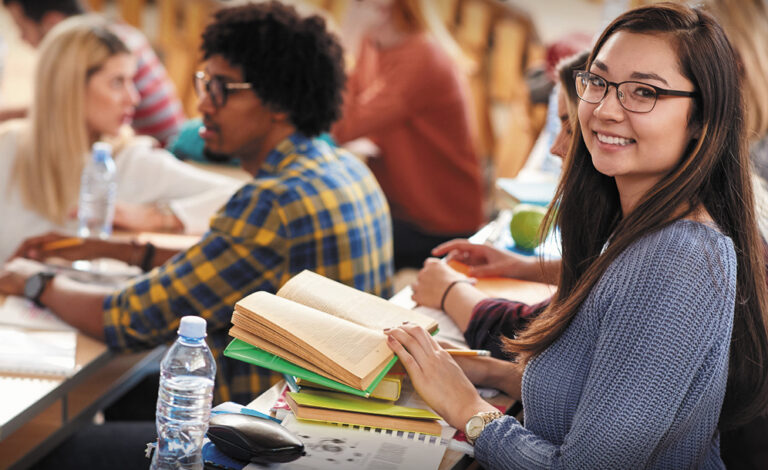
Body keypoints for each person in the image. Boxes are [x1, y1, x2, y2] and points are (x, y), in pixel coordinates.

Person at [385, 3, 768, 467]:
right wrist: (481, 371)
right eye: (598, 82)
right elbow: (598, 391)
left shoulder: (681, 257)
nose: (605, 110)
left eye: (643, 91)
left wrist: (468, 409)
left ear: (701, 120)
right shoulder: (639, 230)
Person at [0, 1, 394, 407]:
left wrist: (36, 281)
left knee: (51, 452)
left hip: (260, 435)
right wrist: (124, 249)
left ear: (277, 102)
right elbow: (226, 261)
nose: (203, 104)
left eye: (221, 89)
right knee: (121, 398)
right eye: (205, 84)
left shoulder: (272, 203)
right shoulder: (344, 168)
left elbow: (126, 319)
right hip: (328, 416)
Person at [0, 16, 239, 262]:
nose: (133, 98)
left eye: (131, 81)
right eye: (117, 83)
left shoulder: (132, 161)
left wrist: (161, 217)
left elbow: (244, 197)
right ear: (70, 88)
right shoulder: (8, 147)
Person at [332, 0, 485, 269]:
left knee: (330, 236)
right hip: (401, 205)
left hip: (436, 221)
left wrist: (347, 43)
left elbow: (339, 127)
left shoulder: (420, 56)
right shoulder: (376, 45)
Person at [1, 0, 185, 145]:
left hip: (160, 151)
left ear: (51, 22)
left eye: (22, 28)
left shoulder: (104, 47)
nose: (22, 38)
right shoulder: (110, 31)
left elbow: (62, 110)